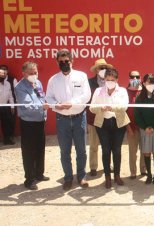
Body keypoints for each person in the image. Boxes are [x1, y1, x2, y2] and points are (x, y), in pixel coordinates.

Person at [46, 49, 91, 191]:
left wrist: (72, 103)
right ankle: (68, 178)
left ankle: (82, 177)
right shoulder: (53, 80)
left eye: (67, 61)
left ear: (72, 61)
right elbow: (49, 97)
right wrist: (56, 105)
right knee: (64, 151)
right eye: (61, 62)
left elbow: (86, 95)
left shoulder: (81, 76)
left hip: (79, 118)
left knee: (81, 150)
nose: (64, 63)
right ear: (57, 62)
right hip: (62, 119)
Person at [90, 68, 129, 188]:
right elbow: (92, 108)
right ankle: (107, 177)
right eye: (108, 79)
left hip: (119, 123)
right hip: (103, 124)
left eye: (112, 80)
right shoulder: (98, 91)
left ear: (117, 80)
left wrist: (112, 107)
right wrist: (101, 108)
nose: (110, 82)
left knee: (117, 150)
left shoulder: (122, 91)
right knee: (106, 150)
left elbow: (124, 107)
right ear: (104, 79)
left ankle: (117, 175)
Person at [14, 61, 50, 190]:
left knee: (40, 148)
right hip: (28, 123)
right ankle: (29, 179)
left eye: (36, 72)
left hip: (40, 120)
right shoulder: (20, 87)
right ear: (24, 74)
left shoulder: (38, 83)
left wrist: (44, 106)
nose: (34, 75)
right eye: (31, 73)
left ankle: (39, 174)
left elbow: (41, 97)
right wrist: (42, 106)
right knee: (29, 151)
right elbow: (27, 105)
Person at [134, 74, 154, 184]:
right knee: (146, 152)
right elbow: (137, 114)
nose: (150, 85)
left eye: (152, 82)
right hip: (144, 129)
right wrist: (144, 127)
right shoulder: (139, 98)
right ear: (143, 83)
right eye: (147, 82)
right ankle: (149, 175)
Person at [87, 59, 113, 176]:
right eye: (100, 68)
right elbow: (87, 100)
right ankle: (93, 166)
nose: (103, 70)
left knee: (108, 144)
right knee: (93, 144)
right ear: (96, 70)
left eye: (104, 68)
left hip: (108, 118)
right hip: (93, 118)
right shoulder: (89, 82)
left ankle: (109, 164)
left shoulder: (111, 82)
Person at [126, 70, 147, 179]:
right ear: (129, 78)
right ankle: (133, 171)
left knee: (144, 149)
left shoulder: (145, 91)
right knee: (132, 150)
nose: (135, 79)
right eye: (132, 77)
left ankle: (143, 169)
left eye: (137, 77)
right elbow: (123, 112)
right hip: (131, 127)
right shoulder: (125, 92)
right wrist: (128, 127)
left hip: (143, 127)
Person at [0, 65, 18, 141]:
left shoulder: (9, 83)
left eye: (4, 71)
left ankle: (8, 139)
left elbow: (11, 96)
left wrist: (12, 106)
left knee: (7, 123)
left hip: (5, 106)